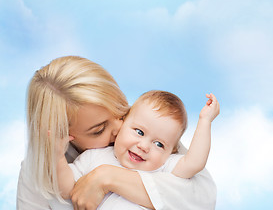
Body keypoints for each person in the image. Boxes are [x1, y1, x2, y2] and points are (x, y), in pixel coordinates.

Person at [16, 56, 217, 210]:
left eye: (121, 111)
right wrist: (57, 156)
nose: (120, 128)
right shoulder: (41, 168)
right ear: (64, 135)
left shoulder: (147, 130)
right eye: (99, 130)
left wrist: (107, 177)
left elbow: (202, 196)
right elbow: (64, 187)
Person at [54, 91, 219, 209]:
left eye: (159, 144)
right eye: (139, 132)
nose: (144, 146)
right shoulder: (94, 157)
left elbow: (195, 162)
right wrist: (57, 155)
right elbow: (67, 189)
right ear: (122, 122)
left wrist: (205, 121)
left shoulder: (164, 167)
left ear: (172, 151)